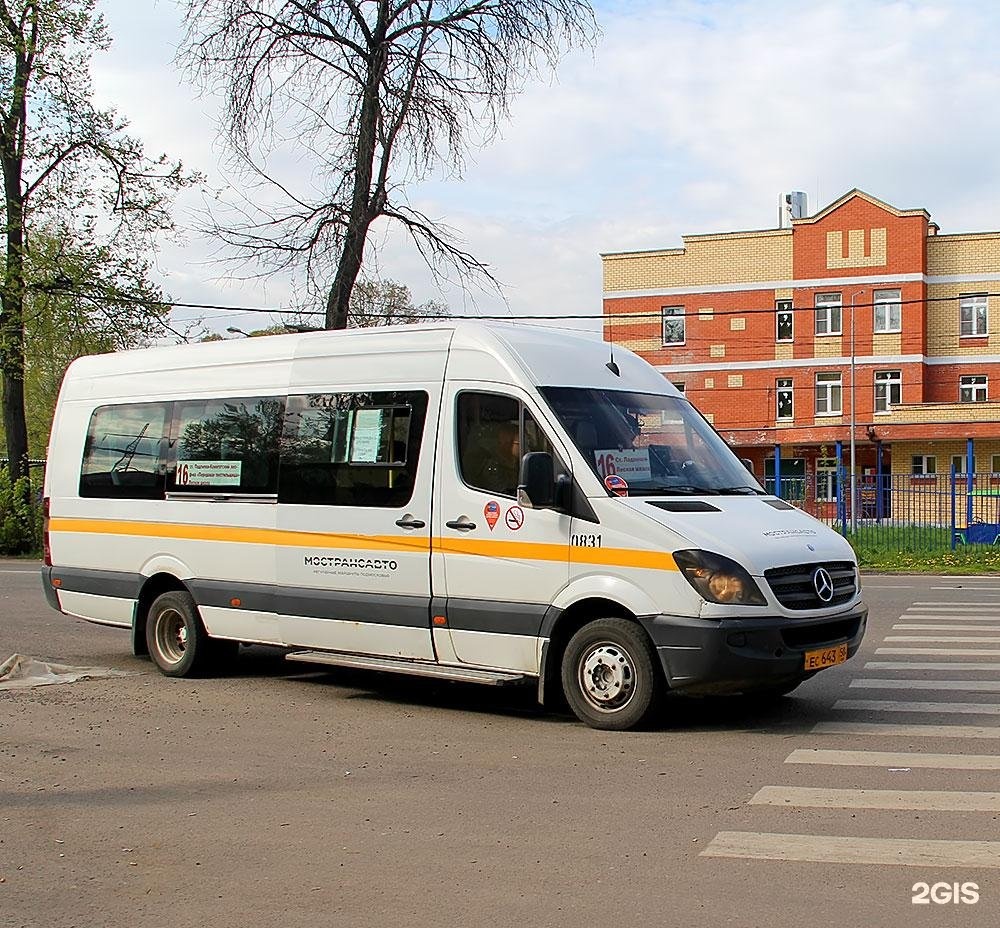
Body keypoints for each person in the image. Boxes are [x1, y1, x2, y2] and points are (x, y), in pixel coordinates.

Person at [463, 420, 520, 495]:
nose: (526, 446)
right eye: (519, 443)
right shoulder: (493, 469)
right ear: (507, 443)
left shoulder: (517, 465)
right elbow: (505, 495)